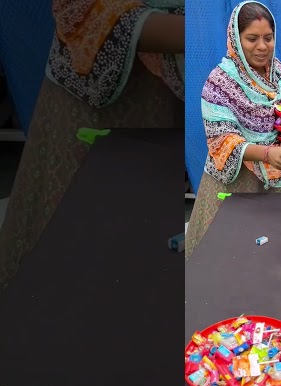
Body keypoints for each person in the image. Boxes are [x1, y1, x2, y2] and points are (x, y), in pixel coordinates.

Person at [0, 0, 185, 290]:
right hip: (96, 105)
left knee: (153, 257)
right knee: (75, 263)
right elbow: (80, 10)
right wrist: (218, 32)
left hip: (178, 108)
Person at [185, 0, 281, 258]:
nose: (262, 47)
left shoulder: (280, 75)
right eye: (252, 38)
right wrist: (266, 154)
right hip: (235, 185)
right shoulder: (220, 81)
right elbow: (222, 140)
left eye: (268, 38)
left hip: (277, 180)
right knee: (227, 256)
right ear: (235, 38)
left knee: (270, 254)